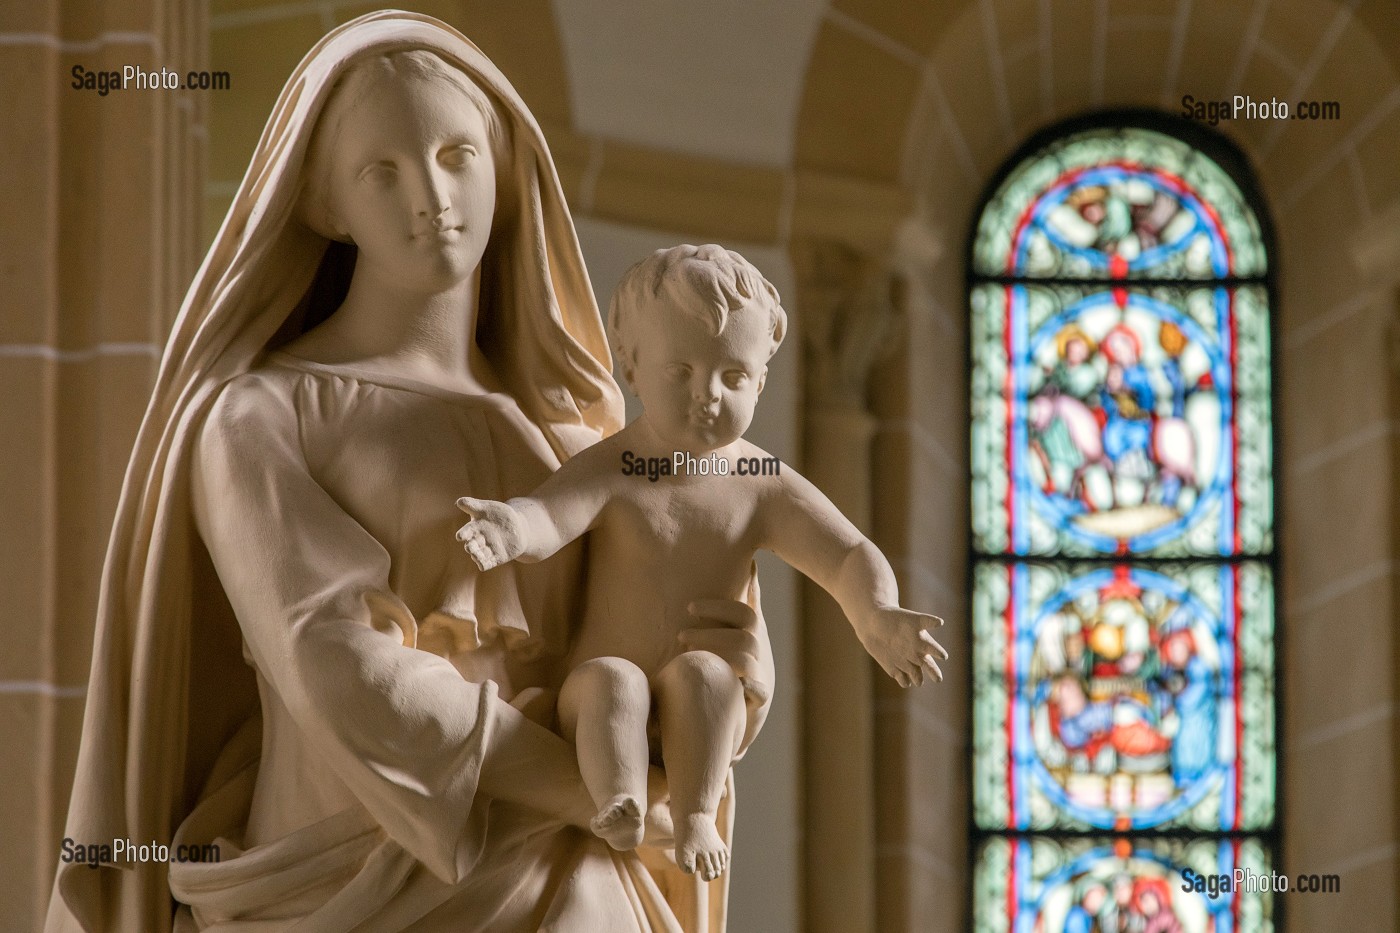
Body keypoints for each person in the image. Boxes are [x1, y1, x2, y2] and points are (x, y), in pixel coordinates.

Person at [46, 13, 771, 932]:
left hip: (572, 874)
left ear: (504, 172)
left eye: (458, 153)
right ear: (326, 206)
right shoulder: (261, 414)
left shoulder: (573, 440)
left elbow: (635, 654)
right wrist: (584, 790)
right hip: (349, 878)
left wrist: (732, 686)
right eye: (379, 171)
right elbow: (336, 662)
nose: (430, 193)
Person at [456, 245, 947, 882]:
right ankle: (617, 799)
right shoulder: (619, 465)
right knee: (611, 680)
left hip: (703, 712)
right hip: (601, 693)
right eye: (680, 372)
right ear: (632, 366)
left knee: (708, 677)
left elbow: (847, 552)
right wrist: (510, 526)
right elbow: (553, 516)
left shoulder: (757, 480)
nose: (706, 396)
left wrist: (874, 613)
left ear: (762, 380)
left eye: (732, 377)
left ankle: (695, 816)